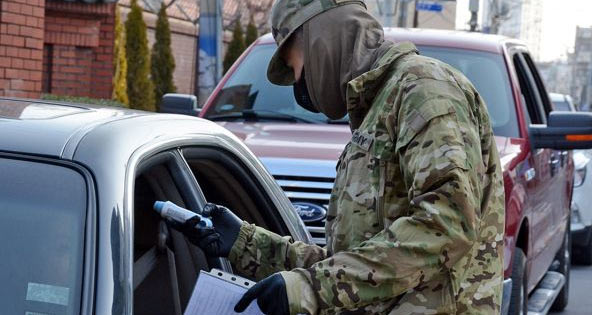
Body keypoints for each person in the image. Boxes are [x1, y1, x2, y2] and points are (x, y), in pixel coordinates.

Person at [172, 0, 505, 314]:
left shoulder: (423, 90)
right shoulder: (377, 109)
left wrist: (311, 288)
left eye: (293, 64)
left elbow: (447, 225)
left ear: (320, 38)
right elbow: (354, 262)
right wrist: (247, 244)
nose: (299, 83)